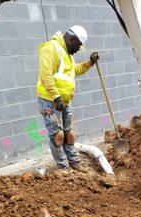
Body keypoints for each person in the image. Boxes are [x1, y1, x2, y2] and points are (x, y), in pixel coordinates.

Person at [37, 26, 99, 170]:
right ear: (72, 39)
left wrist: (89, 63)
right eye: (78, 46)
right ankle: (63, 168)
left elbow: (73, 71)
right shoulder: (51, 48)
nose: (78, 49)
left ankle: (74, 162)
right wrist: (56, 97)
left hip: (64, 100)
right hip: (50, 100)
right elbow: (45, 75)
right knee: (57, 136)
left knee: (68, 134)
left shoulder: (67, 53)